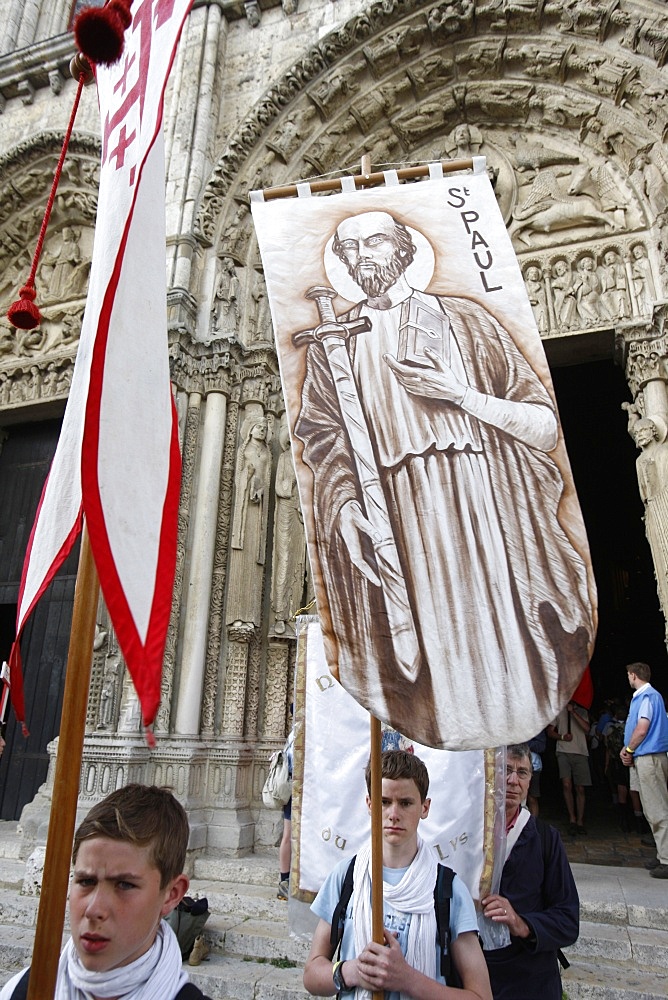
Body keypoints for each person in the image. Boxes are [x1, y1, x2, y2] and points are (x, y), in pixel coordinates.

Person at [294, 210, 593, 748]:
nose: (364, 256)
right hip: (395, 518)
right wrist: (343, 508)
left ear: (406, 249)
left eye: (377, 242)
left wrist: (459, 394)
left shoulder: (467, 321)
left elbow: (543, 425)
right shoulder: (331, 344)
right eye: (350, 248)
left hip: (484, 502)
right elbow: (322, 439)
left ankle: (500, 763)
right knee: (426, 662)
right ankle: (433, 769)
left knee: (498, 642)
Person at [303, 749, 491, 999]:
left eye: (405, 803)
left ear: (425, 807)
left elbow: (481, 996)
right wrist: (352, 971)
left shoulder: (447, 889)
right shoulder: (346, 877)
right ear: (370, 804)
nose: (393, 814)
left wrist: (407, 979)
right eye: (384, 801)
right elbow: (311, 975)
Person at [0, 784, 212, 1000]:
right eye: (86, 881)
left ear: (172, 894)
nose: (94, 910)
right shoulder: (21, 991)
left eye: (125, 885)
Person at [481, 745, 579, 1000]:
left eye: (522, 773)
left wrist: (522, 923)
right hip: (476, 976)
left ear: (530, 781)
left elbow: (568, 920)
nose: (513, 780)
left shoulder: (546, 839)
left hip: (530, 980)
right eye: (506, 770)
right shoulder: (468, 836)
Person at [620, 662, 668, 877]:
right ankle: (661, 854)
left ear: (633, 675)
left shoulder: (647, 697)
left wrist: (629, 749)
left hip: (649, 758)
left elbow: (642, 728)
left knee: (657, 808)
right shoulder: (646, 697)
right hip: (645, 757)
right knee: (652, 807)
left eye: (628, 675)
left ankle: (666, 860)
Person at [547, 700, 591, 835]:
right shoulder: (559, 711)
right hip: (563, 751)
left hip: (580, 752)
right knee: (566, 785)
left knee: (580, 788)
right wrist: (561, 737)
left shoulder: (583, 712)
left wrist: (573, 712)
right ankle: (572, 818)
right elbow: (550, 732)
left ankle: (580, 820)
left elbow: (587, 729)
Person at [277, 718, 295, 900]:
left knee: (288, 835)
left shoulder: (291, 738)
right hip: (299, 792)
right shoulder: (300, 737)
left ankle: (284, 880)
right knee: (289, 835)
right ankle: (286, 880)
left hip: (289, 792)